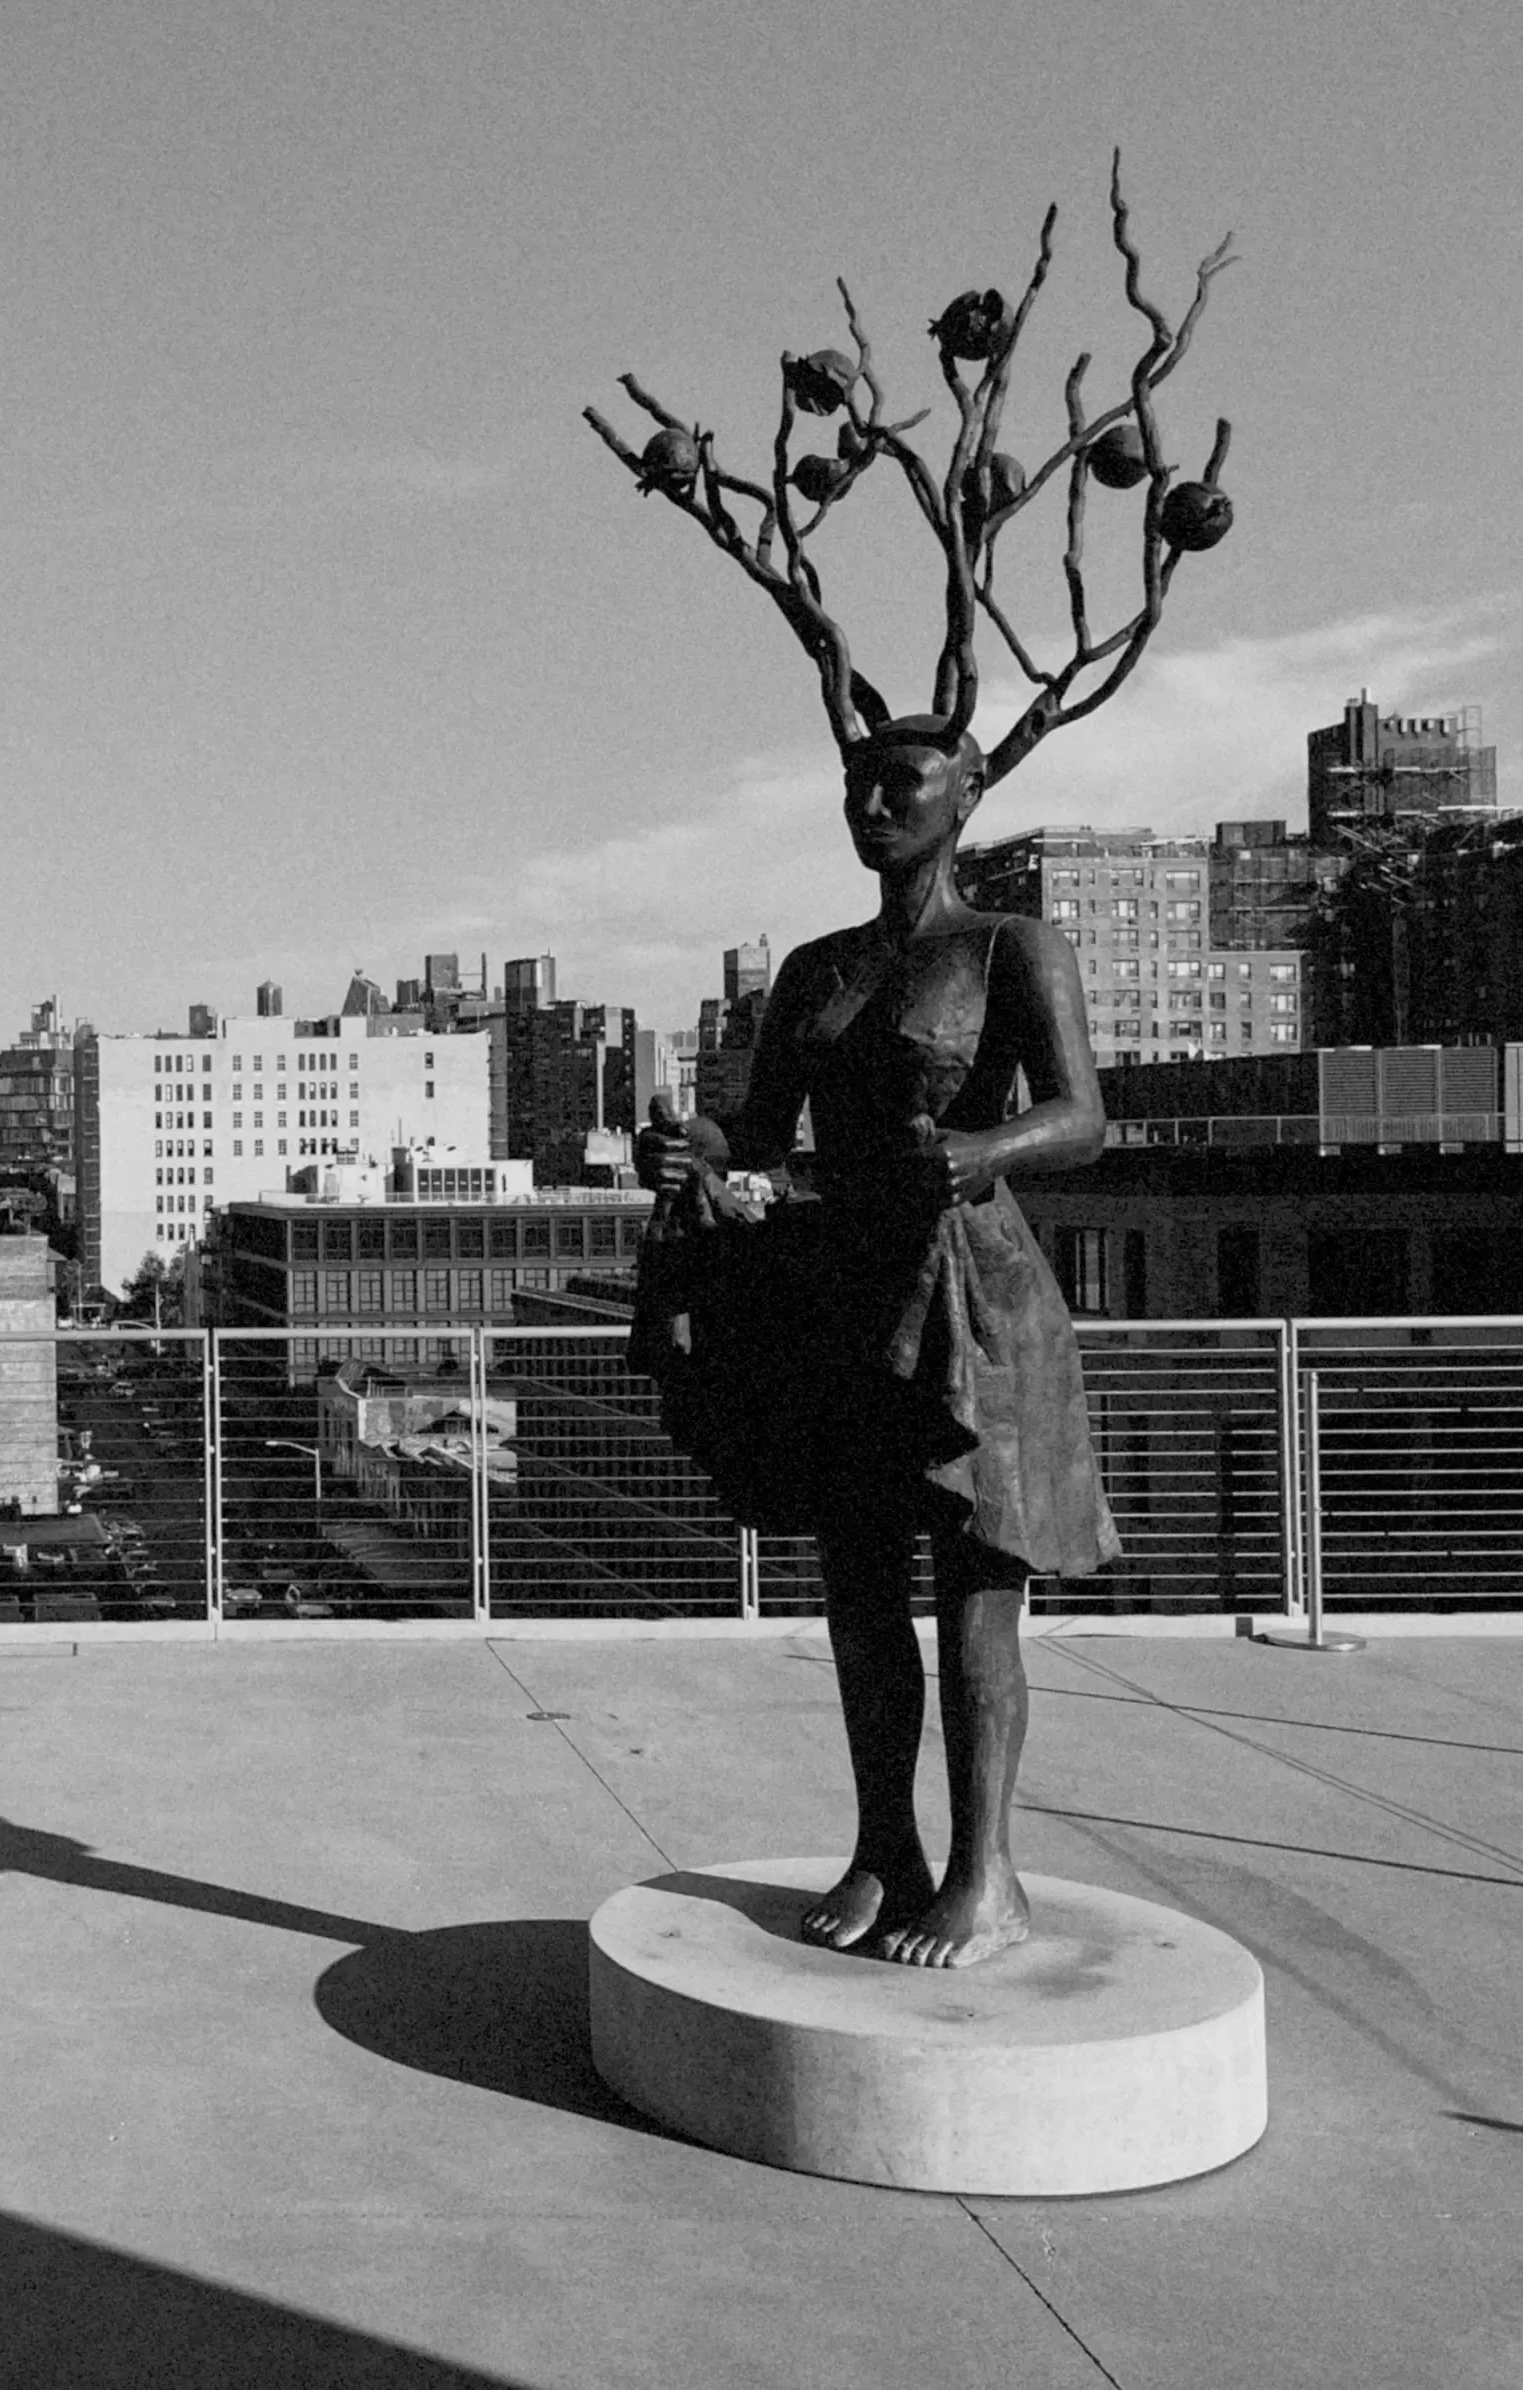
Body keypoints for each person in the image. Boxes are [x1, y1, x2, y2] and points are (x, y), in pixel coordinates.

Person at [638, 716, 1116, 1968]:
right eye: (858, 779)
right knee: (857, 1593)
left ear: (965, 795)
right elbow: (757, 1139)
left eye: (900, 782)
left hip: (973, 1296)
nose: (871, 800)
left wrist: (983, 1151)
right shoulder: (815, 966)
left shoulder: (1013, 945)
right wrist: (692, 1151)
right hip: (844, 1291)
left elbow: (1081, 1116)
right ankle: (883, 1848)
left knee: (973, 1602)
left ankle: (985, 1873)